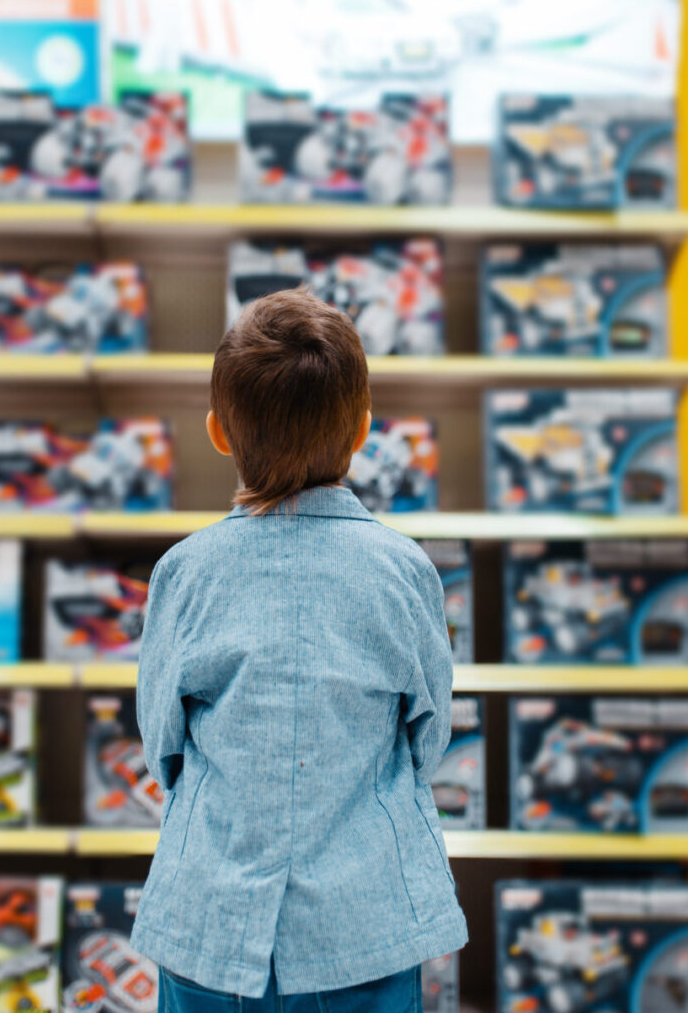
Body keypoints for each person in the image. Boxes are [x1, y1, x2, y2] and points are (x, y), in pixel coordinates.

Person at [130, 288, 467, 1012]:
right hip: (364, 929)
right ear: (362, 431)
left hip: (212, 929)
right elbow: (426, 736)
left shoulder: (184, 572)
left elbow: (162, 743)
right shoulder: (403, 569)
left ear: (219, 432)